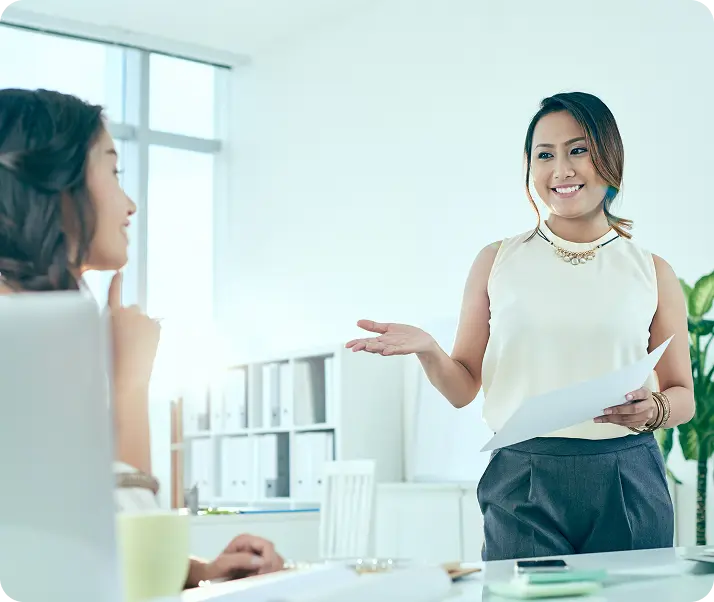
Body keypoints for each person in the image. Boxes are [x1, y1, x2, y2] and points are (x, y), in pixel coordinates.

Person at [347, 91, 695, 561]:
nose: (561, 170)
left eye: (578, 150)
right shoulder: (496, 261)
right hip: (522, 476)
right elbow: (462, 389)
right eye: (544, 155)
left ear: (609, 156)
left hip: (626, 474)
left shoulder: (653, 271)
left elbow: (683, 396)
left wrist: (653, 409)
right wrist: (429, 349)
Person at [0, 88, 284, 586]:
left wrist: (200, 570)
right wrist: (131, 381)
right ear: (58, 182)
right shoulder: (22, 336)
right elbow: (128, 573)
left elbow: (66, 540)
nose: (129, 204)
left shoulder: (46, 329)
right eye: (113, 171)